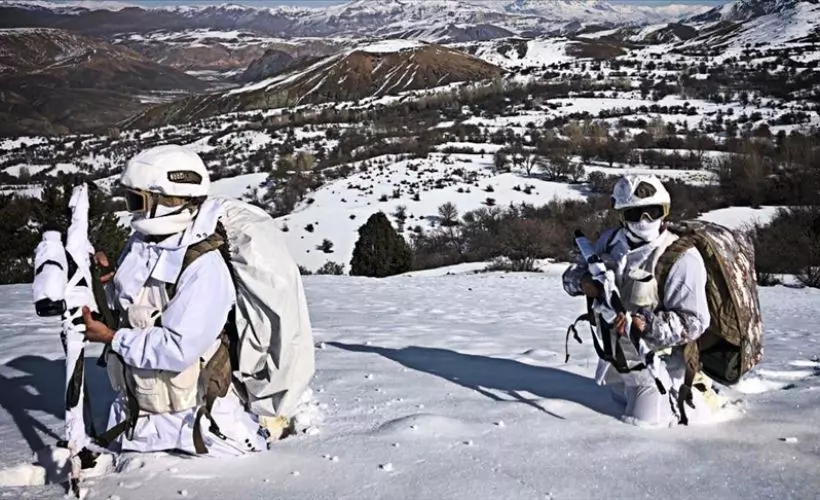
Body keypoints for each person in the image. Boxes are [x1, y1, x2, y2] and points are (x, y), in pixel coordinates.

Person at [81, 145, 269, 456]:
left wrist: (113, 338)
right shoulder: (142, 244)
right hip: (137, 420)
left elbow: (177, 349)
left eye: (137, 201)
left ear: (166, 201)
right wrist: (108, 286)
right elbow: (136, 308)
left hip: (196, 431)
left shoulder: (203, 265)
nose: (132, 210)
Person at [562, 174, 722, 427]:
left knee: (643, 424)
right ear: (621, 215)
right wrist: (583, 282)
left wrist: (646, 325)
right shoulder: (610, 242)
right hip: (615, 361)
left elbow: (695, 322)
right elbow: (568, 280)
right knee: (617, 398)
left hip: (659, 364)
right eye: (635, 214)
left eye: (653, 212)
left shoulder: (681, 257)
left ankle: (698, 393)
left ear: (665, 212)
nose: (645, 221)